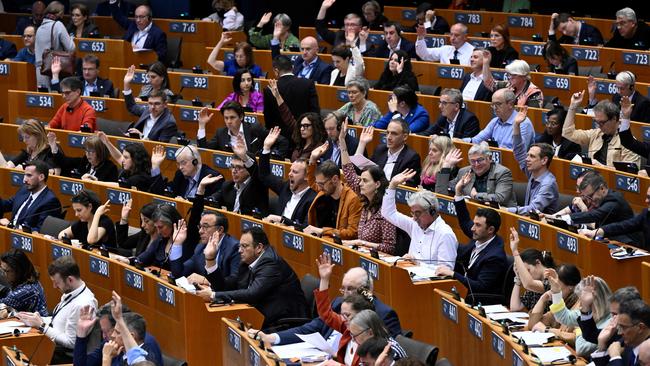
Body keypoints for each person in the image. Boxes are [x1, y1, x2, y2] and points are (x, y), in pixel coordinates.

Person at [251, 267, 402, 345]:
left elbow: (387, 353)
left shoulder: (384, 314)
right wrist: (272, 337)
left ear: (367, 290)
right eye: (344, 288)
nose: (345, 294)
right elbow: (312, 326)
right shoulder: (339, 304)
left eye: (351, 289)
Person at [198, 226, 308, 330]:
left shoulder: (270, 263)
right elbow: (226, 286)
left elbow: (252, 294)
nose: (240, 250)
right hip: (262, 315)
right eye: (239, 246)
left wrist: (213, 295)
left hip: (284, 323)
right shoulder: (247, 262)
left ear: (259, 247)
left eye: (244, 246)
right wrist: (210, 259)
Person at [311, 254, 407, 365]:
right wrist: (324, 279)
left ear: (361, 315)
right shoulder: (351, 329)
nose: (343, 319)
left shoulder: (382, 349)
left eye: (347, 315)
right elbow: (325, 313)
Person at [436, 174, 507, 305]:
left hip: (481, 300)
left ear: (490, 230)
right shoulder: (480, 235)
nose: (472, 228)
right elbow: (464, 221)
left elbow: (481, 286)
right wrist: (458, 192)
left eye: (478, 225)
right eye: (474, 223)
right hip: (465, 292)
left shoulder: (495, 256)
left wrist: (453, 274)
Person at [16, 255, 97, 364]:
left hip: (63, 356)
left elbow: (71, 342)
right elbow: (60, 321)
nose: (54, 286)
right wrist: (37, 319)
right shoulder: (72, 292)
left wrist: (41, 325)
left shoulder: (82, 304)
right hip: (53, 346)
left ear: (70, 280)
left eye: (57, 282)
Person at [339, 120, 397, 254]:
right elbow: (348, 171)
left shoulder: (386, 211)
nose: (360, 184)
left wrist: (362, 243)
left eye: (365, 181)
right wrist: (342, 140)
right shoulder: (366, 201)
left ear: (377, 184)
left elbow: (390, 248)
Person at [383, 169, 458, 267]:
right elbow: (388, 213)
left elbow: (445, 271)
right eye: (413, 213)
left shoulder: (445, 234)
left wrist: (417, 263)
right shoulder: (415, 225)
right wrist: (392, 186)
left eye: (417, 213)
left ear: (432, 211)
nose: (414, 218)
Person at [549, 172, 642, 244]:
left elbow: (595, 215)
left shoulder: (614, 200)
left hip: (628, 245)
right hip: (609, 241)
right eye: (587, 198)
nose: (589, 201)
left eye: (590, 196)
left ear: (602, 188)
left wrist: (566, 218)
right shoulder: (601, 199)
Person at [174, 183, 240, 281]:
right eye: (200, 226)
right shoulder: (200, 248)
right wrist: (177, 245)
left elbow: (234, 281)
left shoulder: (234, 248)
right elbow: (179, 273)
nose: (200, 231)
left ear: (220, 230)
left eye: (205, 227)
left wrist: (206, 281)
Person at [73, 297, 163, 366]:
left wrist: (106, 359)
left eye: (116, 331)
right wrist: (81, 334)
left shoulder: (147, 355)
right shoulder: (115, 344)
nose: (112, 335)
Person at [563, 91, 640, 167]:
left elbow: (631, 172)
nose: (599, 126)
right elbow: (568, 133)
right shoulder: (595, 134)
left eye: (602, 122)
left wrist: (602, 167)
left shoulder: (629, 141)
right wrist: (572, 106)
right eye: (597, 122)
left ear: (614, 119)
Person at [259, 128, 317, 227]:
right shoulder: (285, 188)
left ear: (307, 177)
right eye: (290, 170)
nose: (289, 174)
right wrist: (266, 148)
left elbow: (306, 228)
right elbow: (265, 175)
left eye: (295, 172)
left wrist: (282, 220)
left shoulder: (313, 199)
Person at [507, 107, 559, 215]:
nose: (527, 159)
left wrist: (507, 210)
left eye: (532, 156)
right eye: (528, 155)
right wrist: (516, 125)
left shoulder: (548, 183)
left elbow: (533, 209)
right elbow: (518, 151)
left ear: (544, 160)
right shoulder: (532, 173)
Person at [304, 149, 362, 240]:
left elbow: (352, 233)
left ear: (334, 179)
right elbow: (311, 182)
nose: (319, 187)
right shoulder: (325, 189)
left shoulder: (352, 199)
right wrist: (312, 159)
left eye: (322, 184)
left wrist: (323, 231)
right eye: (318, 184)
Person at [435, 143, 517, 206]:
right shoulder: (464, 172)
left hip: (501, 217)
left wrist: (475, 195)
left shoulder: (502, 172)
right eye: (472, 161)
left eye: (480, 160)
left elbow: (500, 198)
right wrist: (446, 167)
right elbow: (441, 193)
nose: (476, 164)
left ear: (490, 158)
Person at [263, 55, 320, 145]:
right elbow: (315, 113)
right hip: (304, 139)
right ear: (292, 68)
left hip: (279, 139)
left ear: (276, 71)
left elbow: (268, 121)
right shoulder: (308, 84)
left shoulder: (269, 90)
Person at [208, 135, 268, 216]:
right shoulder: (228, 186)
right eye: (232, 166)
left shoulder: (258, 185)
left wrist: (245, 158)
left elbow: (256, 172)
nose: (234, 171)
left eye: (239, 167)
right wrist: (201, 188)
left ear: (248, 169)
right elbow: (212, 200)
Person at [267, 78, 325, 160]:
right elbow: (287, 116)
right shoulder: (300, 142)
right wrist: (277, 96)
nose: (301, 129)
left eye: (306, 126)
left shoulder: (319, 148)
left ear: (314, 127)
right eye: (301, 126)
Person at [0, 161, 62, 232]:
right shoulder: (24, 190)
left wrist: (12, 226)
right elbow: (4, 205)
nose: (24, 180)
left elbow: (41, 231)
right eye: (25, 175)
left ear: (41, 177)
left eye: (29, 175)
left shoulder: (50, 201)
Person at [582, 186, 650, 250]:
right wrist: (595, 232)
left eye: (649, 197)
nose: (646, 201)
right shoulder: (646, 214)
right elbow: (622, 226)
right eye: (647, 197)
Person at [465, 88, 534, 150]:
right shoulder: (494, 121)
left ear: (510, 104)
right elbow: (475, 140)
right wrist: (459, 141)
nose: (494, 108)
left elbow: (520, 152)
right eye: (493, 104)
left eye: (498, 104)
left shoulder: (524, 123)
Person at [359, 120, 421, 187]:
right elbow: (365, 171)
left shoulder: (411, 157)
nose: (388, 137)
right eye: (387, 133)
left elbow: (409, 185)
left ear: (405, 137)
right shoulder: (380, 150)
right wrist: (362, 143)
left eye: (394, 134)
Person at [149, 144, 223, 200]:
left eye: (183, 163)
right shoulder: (180, 175)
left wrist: (188, 203)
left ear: (195, 161)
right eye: (178, 164)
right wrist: (155, 167)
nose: (180, 167)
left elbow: (210, 204)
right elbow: (162, 194)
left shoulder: (212, 177)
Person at [592, 300, 650, 366]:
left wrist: (615, 357)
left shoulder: (648, 351)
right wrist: (601, 343)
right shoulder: (628, 343)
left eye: (624, 327)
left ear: (640, 328)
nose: (620, 333)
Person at [508, 233, 556, 312]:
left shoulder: (552, 279)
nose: (525, 275)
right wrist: (518, 278)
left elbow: (528, 284)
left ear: (538, 262)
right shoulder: (533, 285)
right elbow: (515, 307)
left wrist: (515, 251)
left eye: (528, 270)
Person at [198, 101, 268, 154]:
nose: (229, 121)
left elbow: (276, 140)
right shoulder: (221, 133)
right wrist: (201, 125)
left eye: (232, 117)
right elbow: (205, 151)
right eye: (226, 118)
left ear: (241, 117)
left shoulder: (255, 129)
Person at [34, 1, 74, 87]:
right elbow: (71, 48)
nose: (63, 16)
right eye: (62, 13)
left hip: (40, 71)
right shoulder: (58, 25)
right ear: (59, 13)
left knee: (44, 96)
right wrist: (71, 38)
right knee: (55, 97)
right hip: (53, 70)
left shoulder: (39, 28)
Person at [49, 133, 118, 183]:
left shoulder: (110, 168)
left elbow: (111, 188)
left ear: (99, 151)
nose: (87, 154)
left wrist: (95, 182)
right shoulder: (85, 161)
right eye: (86, 150)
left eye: (91, 151)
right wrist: (54, 148)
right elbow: (65, 161)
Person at [0, 249, 48, 315]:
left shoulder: (25, 292)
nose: (3, 274)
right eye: (2, 269)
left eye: (7, 271)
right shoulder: (27, 278)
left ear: (19, 271)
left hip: (33, 324)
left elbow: (2, 304)